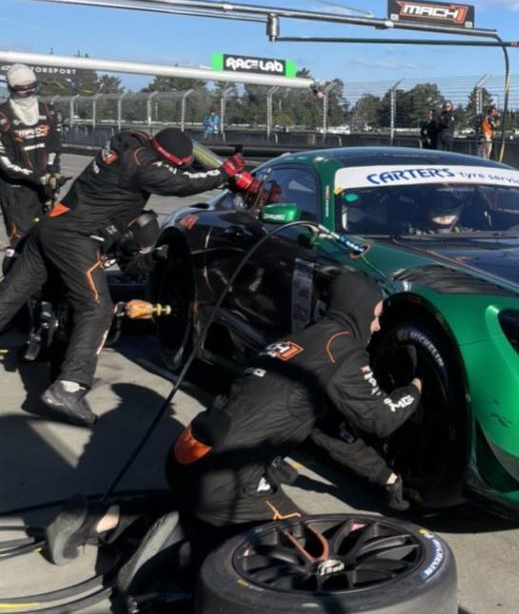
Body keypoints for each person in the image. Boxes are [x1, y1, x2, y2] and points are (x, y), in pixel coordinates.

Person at [43, 272, 422, 569]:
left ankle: (92, 519)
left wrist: (384, 477)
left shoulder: (302, 342)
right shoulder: (342, 351)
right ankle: (176, 565)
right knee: (316, 552)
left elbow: (326, 434)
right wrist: (416, 389)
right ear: (359, 311)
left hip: (187, 459)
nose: (376, 327)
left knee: (198, 507)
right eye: (375, 317)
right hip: (229, 480)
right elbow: (382, 419)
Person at [0, 128, 258, 427]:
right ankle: (68, 388)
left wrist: (153, 255)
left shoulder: (130, 144)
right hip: (75, 237)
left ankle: (64, 372)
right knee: (96, 310)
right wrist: (224, 173)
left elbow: (170, 169)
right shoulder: (143, 167)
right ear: (166, 159)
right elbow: (182, 183)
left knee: (9, 298)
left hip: (50, 228)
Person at [0, 64, 63, 243]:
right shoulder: (2, 116)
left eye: (31, 87)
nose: (28, 92)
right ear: (12, 88)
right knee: (22, 242)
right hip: (16, 192)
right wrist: (38, 177)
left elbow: (54, 147)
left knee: (50, 239)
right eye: (22, 89)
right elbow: (6, 164)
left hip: (46, 187)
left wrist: (52, 171)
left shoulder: (49, 111)